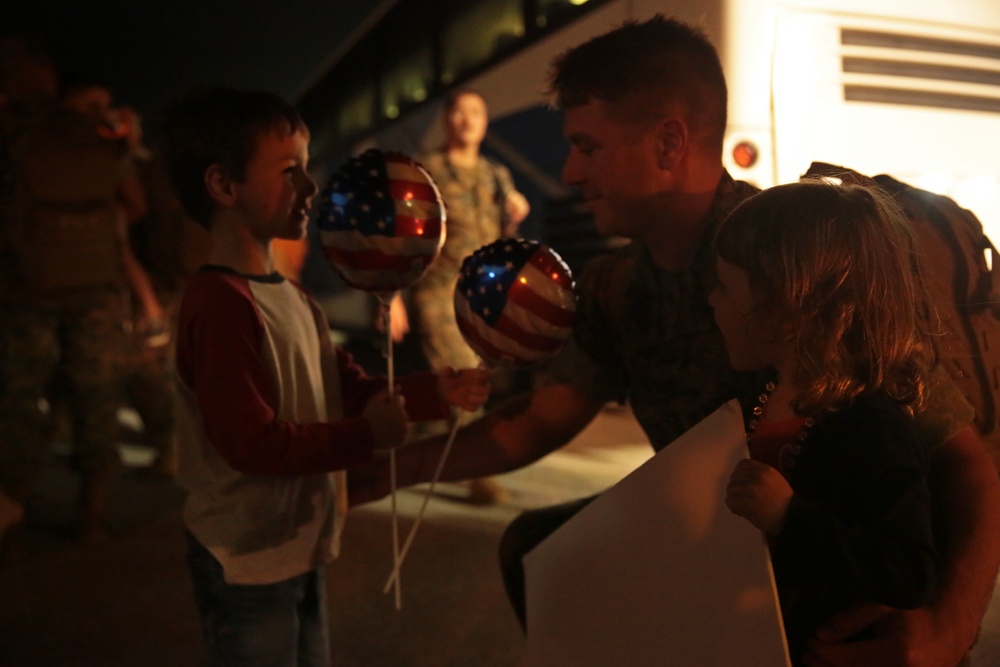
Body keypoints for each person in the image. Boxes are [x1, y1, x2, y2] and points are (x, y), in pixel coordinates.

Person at [367, 15, 1000, 666]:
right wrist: (385, 470)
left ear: (669, 143)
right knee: (538, 549)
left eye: (589, 146)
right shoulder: (617, 286)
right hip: (724, 563)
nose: (571, 171)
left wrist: (947, 627)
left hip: (821, 598)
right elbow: (535, 422)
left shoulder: (796, 263)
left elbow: (963, 461)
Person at [158, 86, 491, 667]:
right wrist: (367, 437)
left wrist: (434, 392)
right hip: (245, 557)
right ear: (223, 186)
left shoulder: (293, 297)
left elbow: (347, 390)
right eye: (290, 171)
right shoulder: (220, 304)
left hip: (296, 544)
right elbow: (250, 442)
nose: (311, 187)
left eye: (307, 169)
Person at [712, 180, 938, 664]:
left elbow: (909, 570)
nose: (712, 301)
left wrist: (790, 519)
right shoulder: (757, 399)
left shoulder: (869, 427)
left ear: (786, 306)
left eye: (726, 288)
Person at [0, 41, 139, 544]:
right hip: (96, 288)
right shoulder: (95, 134)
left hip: (24, 290)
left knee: (18, 400)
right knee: (97, 397)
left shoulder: (12, 131)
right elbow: (134, 204)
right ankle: (92, 514)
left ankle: (11, 507)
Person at [388, 89, 531, 504]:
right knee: (466, 375)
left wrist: (514, 217)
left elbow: (504, 238)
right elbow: (406, 238)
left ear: (485, 122)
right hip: (438, 292)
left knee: (470, 379)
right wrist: (392, 296)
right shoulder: (427, 172)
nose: (468, 120)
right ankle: (480, 473)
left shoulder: (495, 175)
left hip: (483, 294)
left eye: (476, 112)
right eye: (460, 112)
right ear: (448, 119)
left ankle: (418, 446)